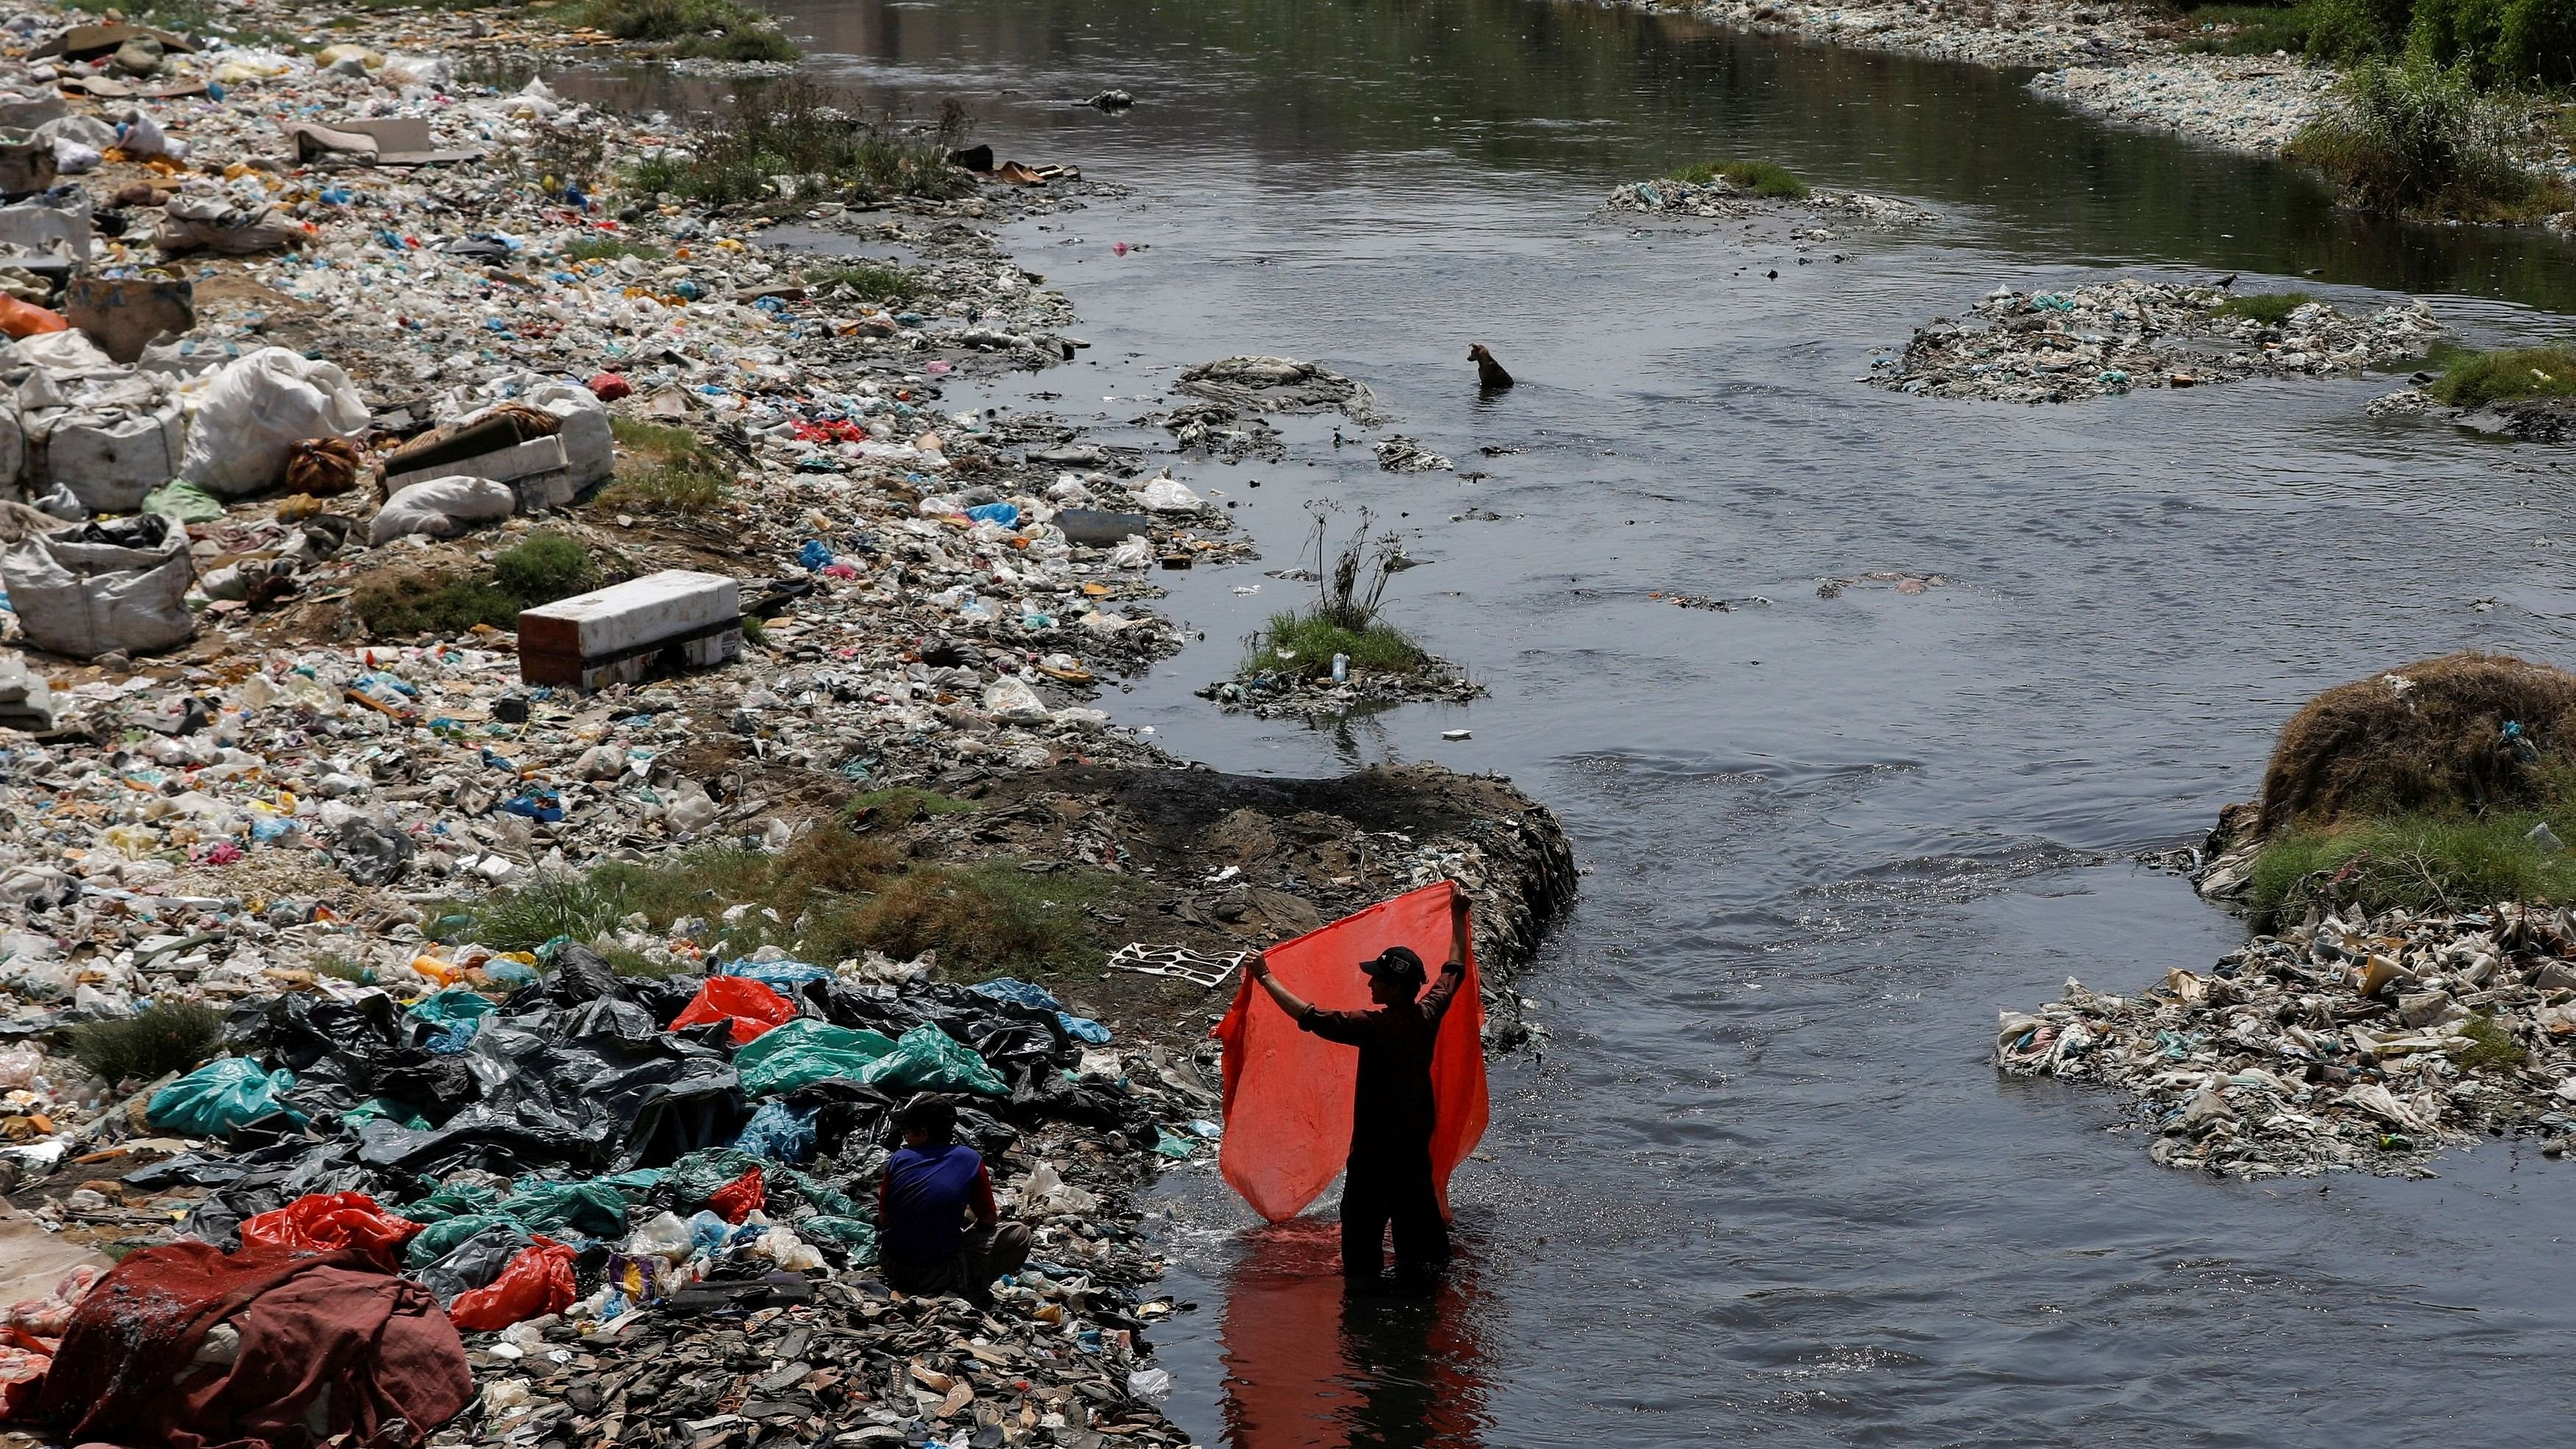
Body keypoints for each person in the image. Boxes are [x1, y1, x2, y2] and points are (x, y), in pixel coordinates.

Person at [1248, 888, 1472, 1283]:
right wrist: (1457, 915)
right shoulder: (1426, 1016)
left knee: (1362, 1258)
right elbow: (1453, 970)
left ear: (1395, 987)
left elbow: (1310, 1017)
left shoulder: (1373, 1027)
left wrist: (1266, 977)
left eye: (1378, 978)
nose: (1370, 982)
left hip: (1373, 1160)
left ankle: (1365, 1322)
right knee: (1420, 1257)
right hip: (1414, 1156)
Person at [875, 1094, 1030, 1305]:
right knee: (1020, 1234)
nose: (905, 1139)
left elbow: (884, 1218)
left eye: (907, 1132)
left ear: (923, 1134)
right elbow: (989, 1220)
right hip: (941, 1272)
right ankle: (971, 1291)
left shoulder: (898, 1160)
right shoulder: (970, 1159)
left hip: (892, 1264)